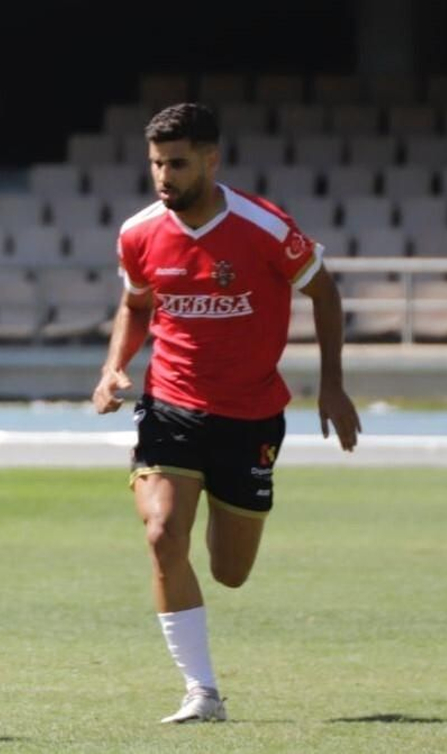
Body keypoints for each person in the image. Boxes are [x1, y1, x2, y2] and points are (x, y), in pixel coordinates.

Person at [91, 103, 361, 724]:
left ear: (211, 161)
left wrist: (333, 386)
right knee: (161, 534)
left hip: (249, 418)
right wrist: (113, 368)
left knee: (230, 571)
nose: (164, 176)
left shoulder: (264, 226)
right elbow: (135, 304)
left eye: (178, 164)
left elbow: (324, 293)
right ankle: (202, 691)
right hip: (171, 406)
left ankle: (222, 510)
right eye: (157, 163)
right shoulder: (138, 232)